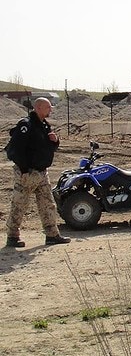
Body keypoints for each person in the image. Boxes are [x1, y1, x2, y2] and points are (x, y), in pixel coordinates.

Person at [5, 97, 71, 247]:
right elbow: (15, 150)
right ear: (39, 108)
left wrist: (55, 141)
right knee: (19, 204)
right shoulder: (26, 125)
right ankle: (12, 236)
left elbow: (47, 147)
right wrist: (24, 169)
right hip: (28, 173)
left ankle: (52, 235)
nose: (51, 110)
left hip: (42, 172)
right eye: (48, 107)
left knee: (47, 204)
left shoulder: (43, 125)